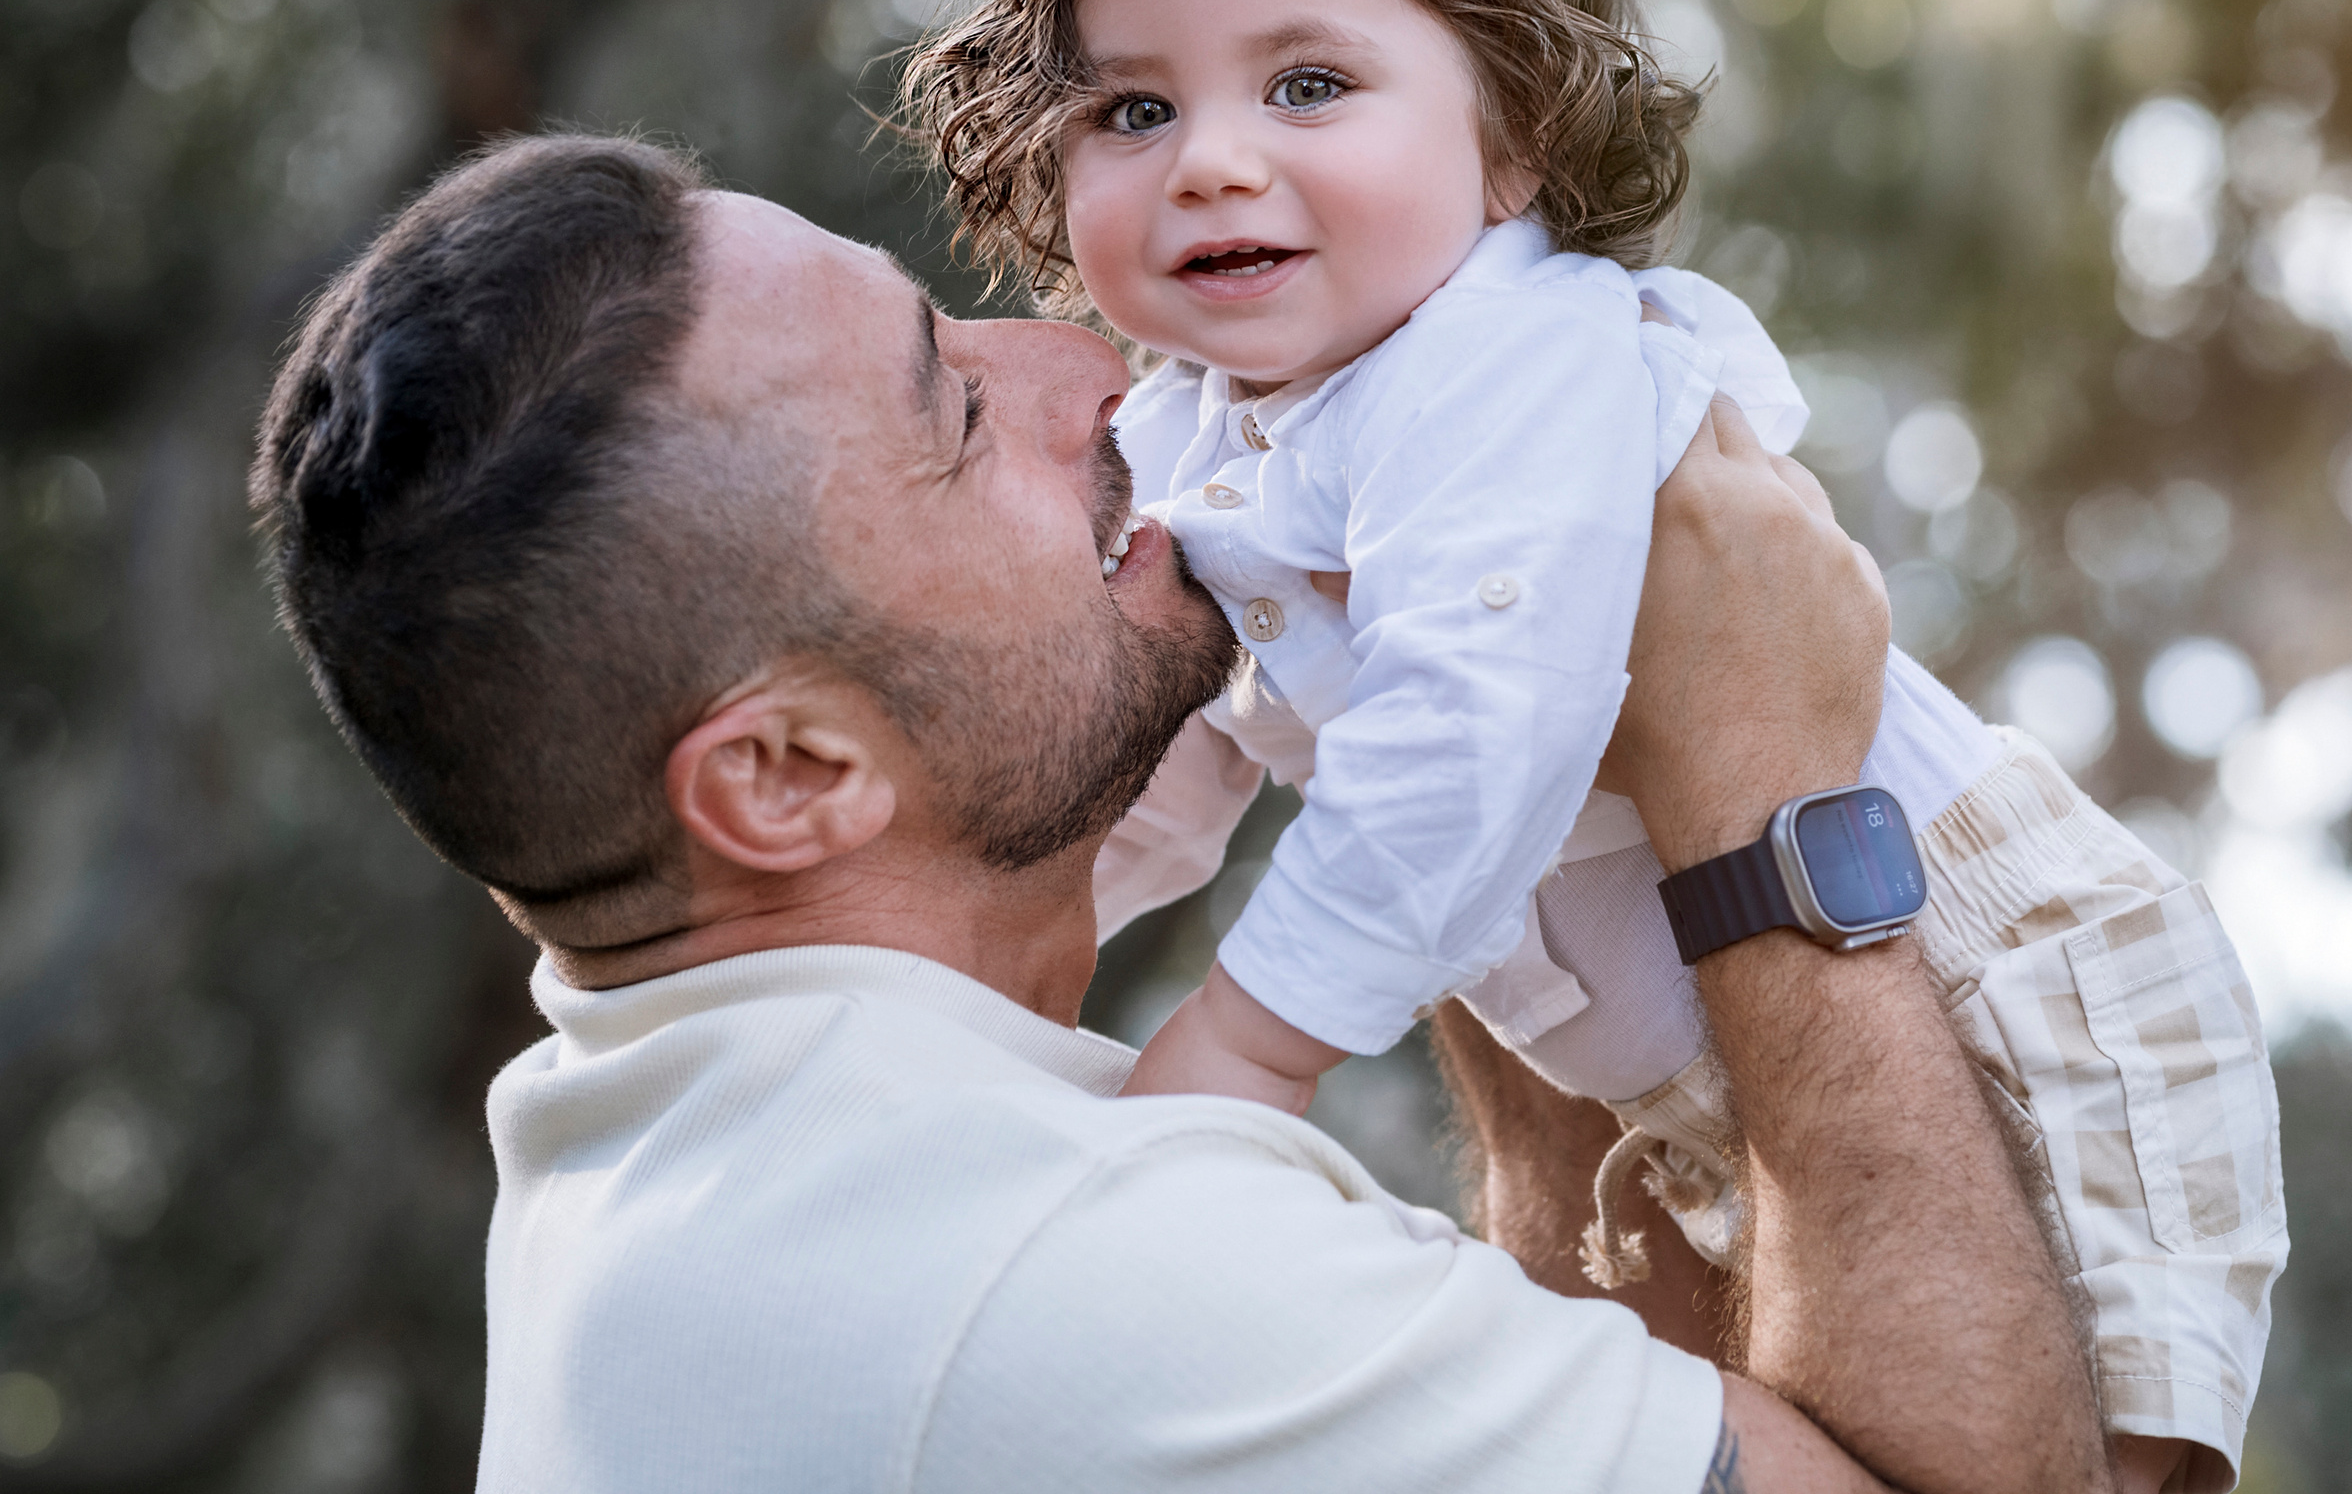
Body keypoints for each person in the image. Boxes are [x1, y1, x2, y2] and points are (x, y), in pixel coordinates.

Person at [251, 132, 2109, 1493]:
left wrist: (1480, 753)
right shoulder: (1051, 1279)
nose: (1088, 370)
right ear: (787, 778)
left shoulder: (700, 1172)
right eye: (957, 413)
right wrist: (1764, 798)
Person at [902, 0, 2283, 1493]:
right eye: (1132, 106)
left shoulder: (1506, 363)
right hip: (1705, 1066)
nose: (1211, 160)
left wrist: (1241, 1049)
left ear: (1515, 137)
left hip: (1988, 978)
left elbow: (1477, 729)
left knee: (2060, 1465)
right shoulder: (1194, 429)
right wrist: (994, 958)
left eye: (1308, 85)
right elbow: (1172, 753)